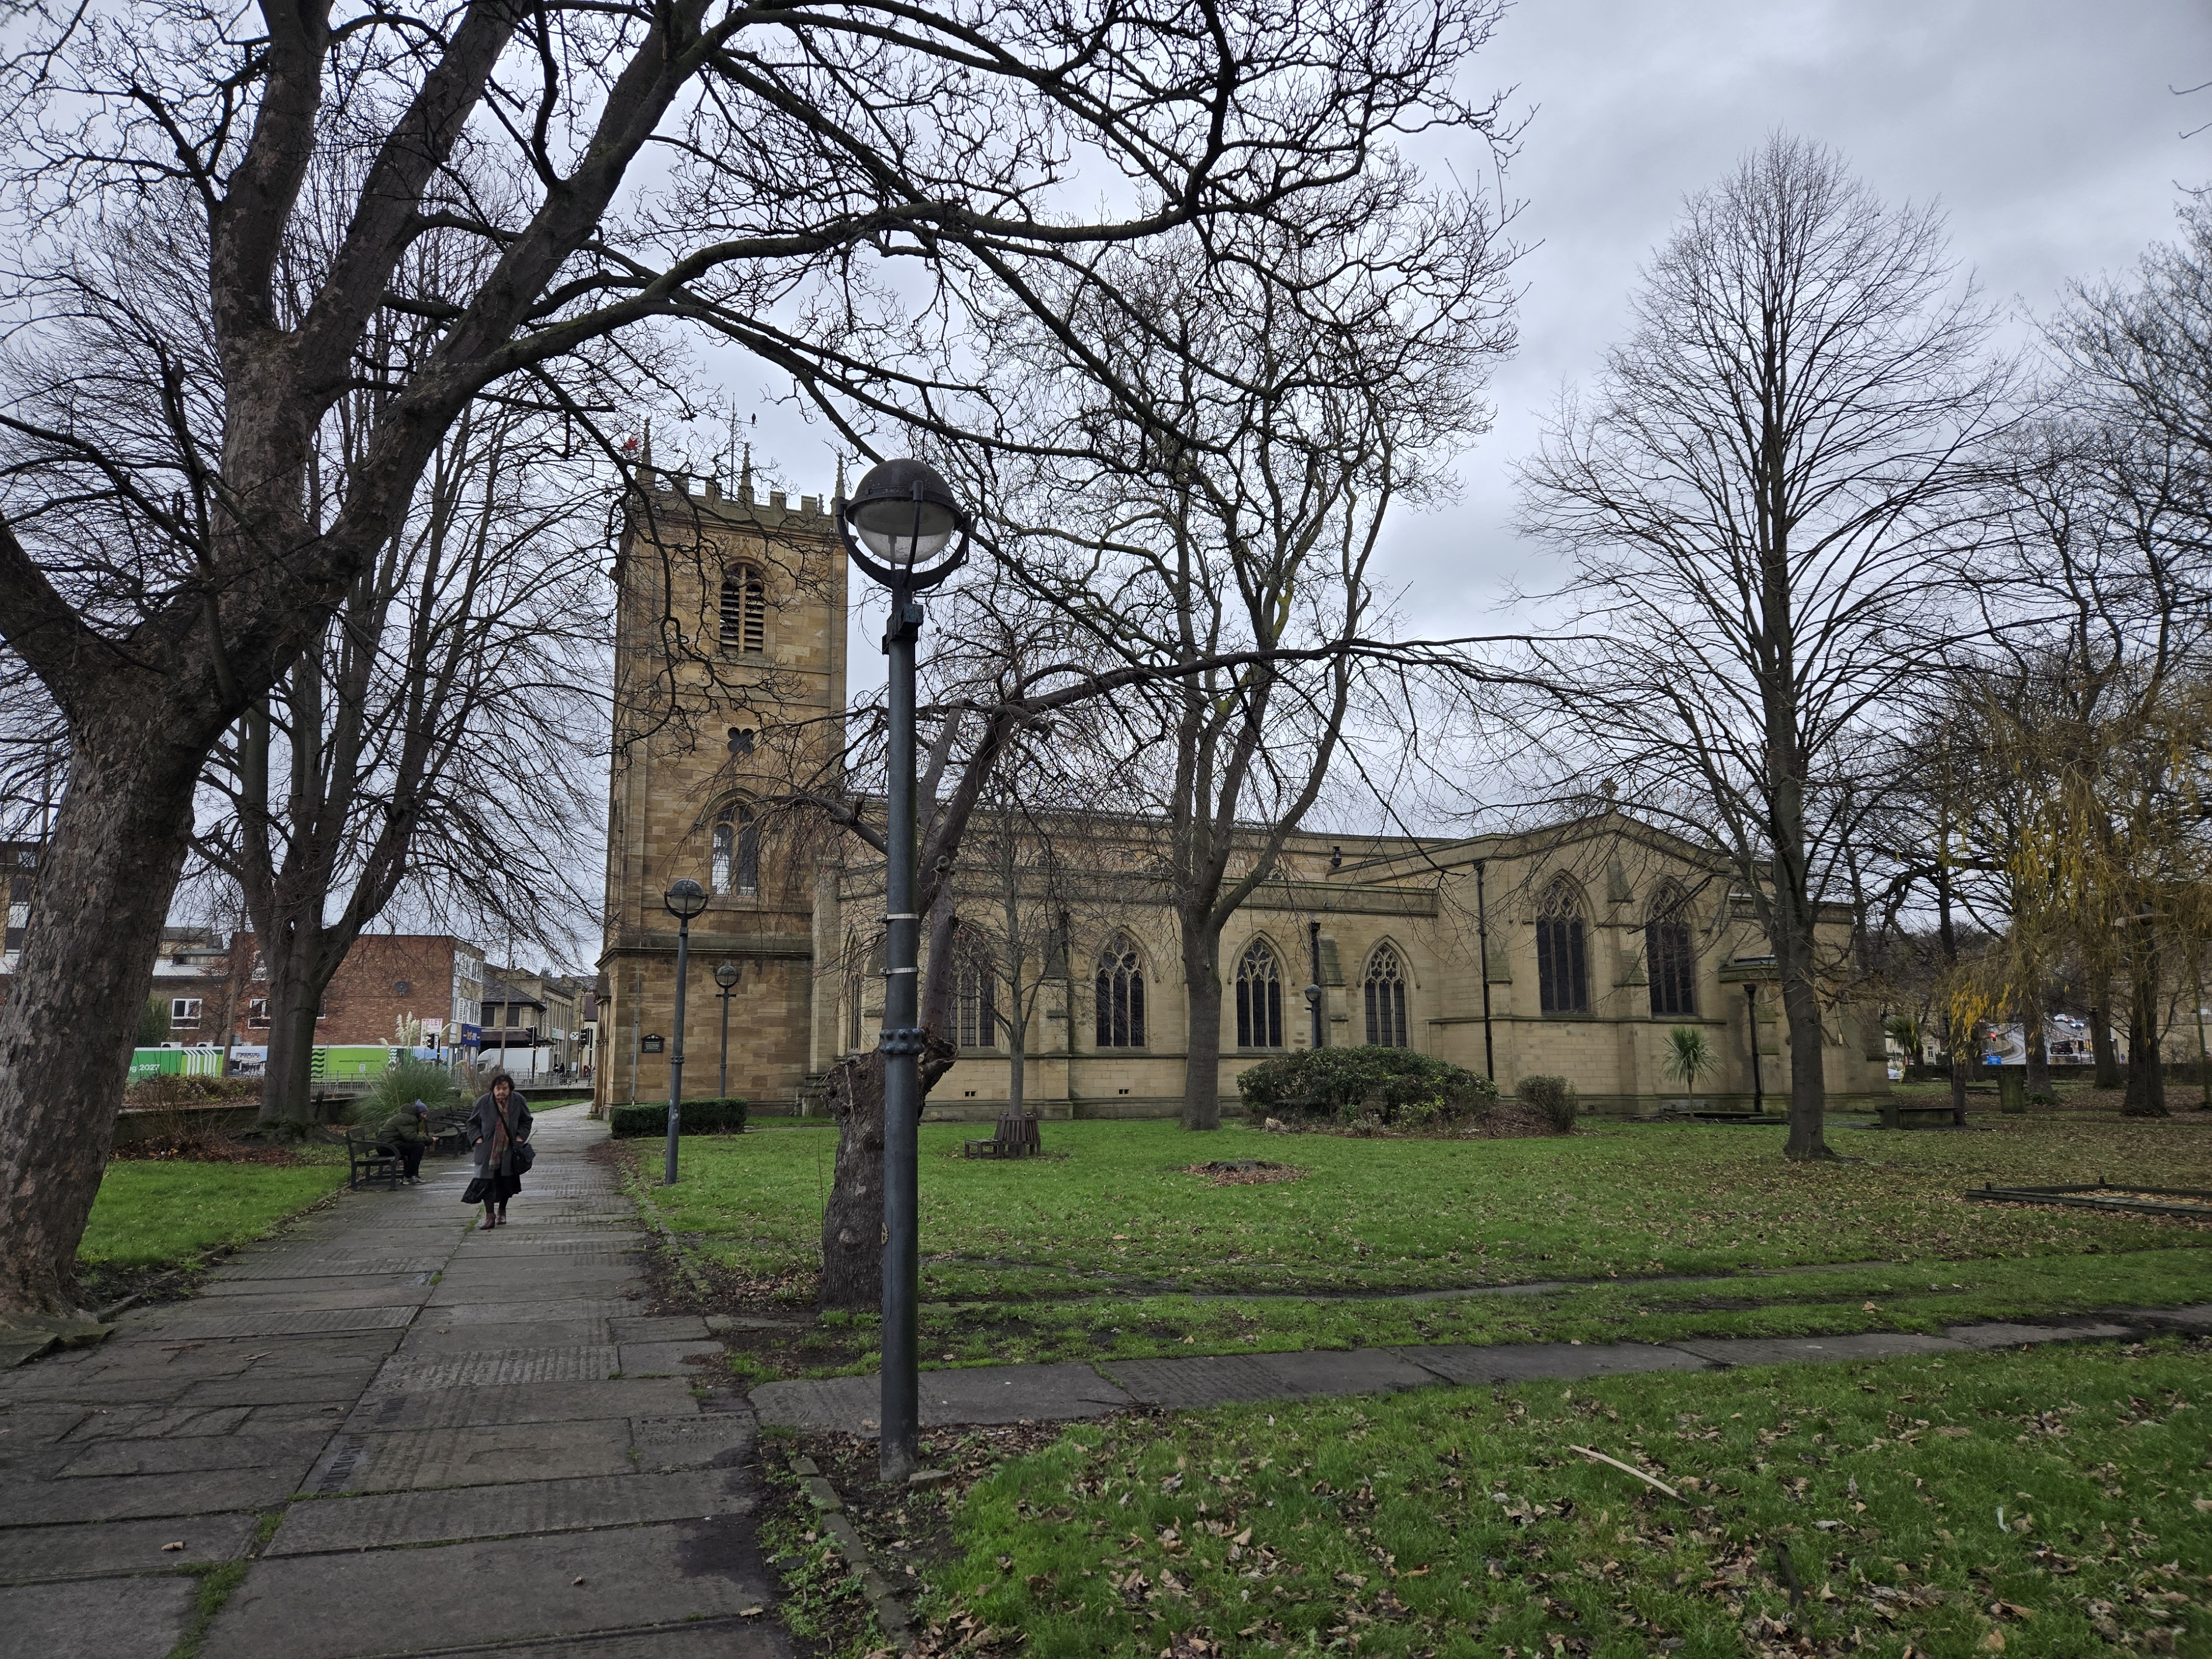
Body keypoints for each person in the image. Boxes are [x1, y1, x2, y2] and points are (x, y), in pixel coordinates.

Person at [465, 1072, 532, 1229]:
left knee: (506, 1183)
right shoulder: (483, 1102)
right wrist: (477, 1139)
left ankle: (502, 1210)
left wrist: (520, 1136)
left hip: (509, 1150)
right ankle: (490, 1216)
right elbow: (472, 1123)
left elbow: (526, 1120)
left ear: (510, 1090)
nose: (501, 1092)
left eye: (504, 1089)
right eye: (498, 1088)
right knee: (486, 1183)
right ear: (493, 1089)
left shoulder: (518, 1101)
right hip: (487, 1150)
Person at [375, 1100, 433, 1183]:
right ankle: (409, 1177)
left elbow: (409, 1137)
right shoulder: (408, 1119)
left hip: (387, 1145)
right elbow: (412, 1138)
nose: (425, 1116)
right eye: (423, 1114)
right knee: (419, 1146)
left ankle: (411, 1175)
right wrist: (430, 1139)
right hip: (387, 1147)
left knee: (416, 1146)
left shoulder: (407, 1117)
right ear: (418, 1113)